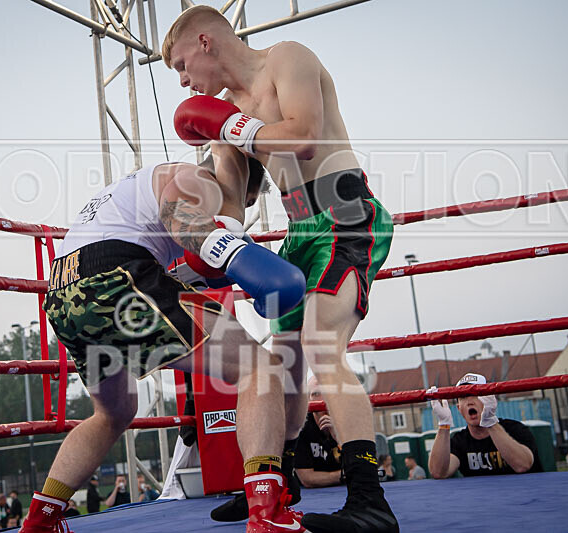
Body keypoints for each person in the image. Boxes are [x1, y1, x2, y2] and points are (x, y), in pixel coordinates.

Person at [163, 6, 398, 532]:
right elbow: (235, 203)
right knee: (283, 360)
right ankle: (280, 481)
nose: (182, 81)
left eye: (181, 65)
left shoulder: (286, 59)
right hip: (298, 232)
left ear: (205, 42)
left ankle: (370, 499)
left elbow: (305, 134)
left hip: (346, 214)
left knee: (319, 345)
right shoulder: (223, 113)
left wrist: (233, 127)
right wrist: (198, 222)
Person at [19, 157, 305, 533]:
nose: (233, 212)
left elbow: (184, 264)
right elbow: (184, 221)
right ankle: (266, 513)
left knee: (113, 414)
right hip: (116, 277)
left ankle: (41, 521)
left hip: (65, 294)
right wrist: (232, 252)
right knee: (262, 368)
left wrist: (234, 267)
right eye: (242, 201)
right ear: (235, 180)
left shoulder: (136, 191)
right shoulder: (192, 177)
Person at [428, 373, 543, 478]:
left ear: (489, 400)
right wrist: (444, 426)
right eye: (463, 396)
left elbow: (522, 465)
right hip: (482, 499)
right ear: (459, 408)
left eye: (476, 394)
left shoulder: (515, 429)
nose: (469, 402)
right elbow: (438, 473)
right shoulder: (460, 441)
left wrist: (490, 423)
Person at [293, 376, 343, 489]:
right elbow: (307, 479)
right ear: (307, 399)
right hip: (312, 496)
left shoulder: (347, 420)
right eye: (316, 394)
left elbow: (361, 466)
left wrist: (339, 438)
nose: (323, 399)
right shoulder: (300, 426)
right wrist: (345, 475)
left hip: (350, 491)